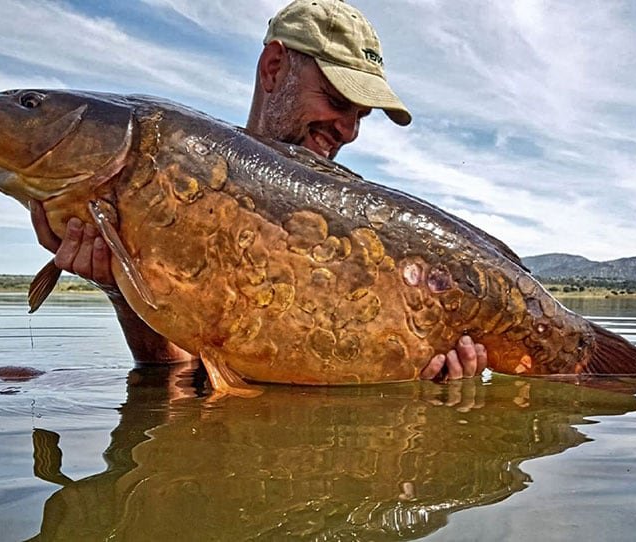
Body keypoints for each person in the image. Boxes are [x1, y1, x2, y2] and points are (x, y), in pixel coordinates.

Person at [30, 0, 488, 381]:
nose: (348, 131)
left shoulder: (361, 235)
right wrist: (118, 286)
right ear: (273, 68)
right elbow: (180, 381)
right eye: (337, 102)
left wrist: (432, 388)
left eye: (361, 117)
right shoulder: (184, 188)